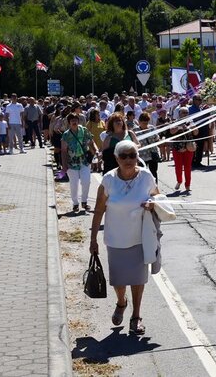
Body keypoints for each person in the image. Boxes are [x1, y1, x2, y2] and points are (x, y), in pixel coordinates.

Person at [89, 141, 160, 335]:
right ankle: (121, 302)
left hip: (139, 237)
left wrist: (152, 203)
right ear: (117, 158)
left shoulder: (146, 176)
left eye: (132, 155)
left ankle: (136, 317)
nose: (129, 159)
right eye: (124, 156)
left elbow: (158, 198)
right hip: (115, 239)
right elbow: (98, 211)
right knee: (118, 281)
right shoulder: (108, 180)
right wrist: (93, 239)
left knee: (138, 279)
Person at [62, 113, 98, 213]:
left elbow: (91, 142)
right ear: (69, 123)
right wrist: (64, 165)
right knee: (74, 184)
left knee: (86, 181)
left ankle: (84, 201)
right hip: (71, 163)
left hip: (84, 161)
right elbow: (64, 150)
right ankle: (75, 203)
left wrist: (96, 150)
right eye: (72, 120)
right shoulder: (66, 135)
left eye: (75, 120)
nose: (74, 122)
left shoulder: (84, 130)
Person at [169, 107, 199, 192]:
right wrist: (179, 127)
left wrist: (193, 128)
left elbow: (196, 133)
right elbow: (171, 131)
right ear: (179, 113)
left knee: (188, 167)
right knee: (178, 167)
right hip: (177, 148)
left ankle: (188, 185)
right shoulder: (175, 122)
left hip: (188, 148)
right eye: (183, 112)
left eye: (186, 112)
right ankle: (179, 181)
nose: (185, 114)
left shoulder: (191, 122)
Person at [135, 113, 160, 182]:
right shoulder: (135, 131)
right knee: (141, 174)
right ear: (139, 122)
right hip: (142, 156)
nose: (145, 125)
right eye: (143, 123)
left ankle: (155, 188)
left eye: (147, 123)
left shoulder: (152, 128)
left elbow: (157, 138)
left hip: (153, 154)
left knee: (153, 172)